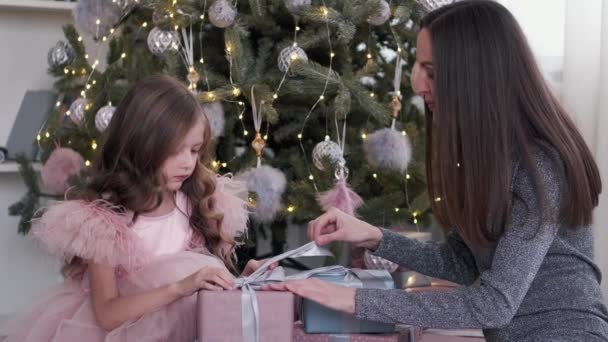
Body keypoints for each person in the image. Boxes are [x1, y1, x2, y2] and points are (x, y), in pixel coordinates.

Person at [265, 1, 608, 341]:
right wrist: (374, 237)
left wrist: (355, 299)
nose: (417, 84)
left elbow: (494, 304)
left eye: (432, 71)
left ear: (476, 76)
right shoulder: (491, 159)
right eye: (418, 66)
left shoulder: (540, 166)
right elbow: (463, 261)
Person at [4, 75, 268, 341]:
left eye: (195, 150)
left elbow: (199, 282)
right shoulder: (105, 220)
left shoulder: (196, 200)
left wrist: (240, 282)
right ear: (142, 145)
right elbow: (107, 314)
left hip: (186, 327)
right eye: (176, 151)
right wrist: (178, 288)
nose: (188, 163)